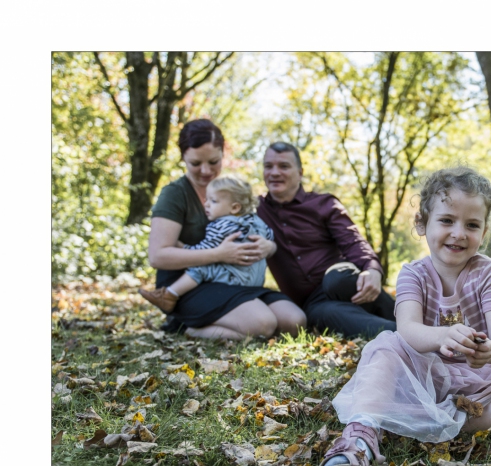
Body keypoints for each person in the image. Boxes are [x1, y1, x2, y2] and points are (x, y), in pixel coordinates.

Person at [319, 166, 491, 466]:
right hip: (428, 378)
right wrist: (443, 335)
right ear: (422, 223)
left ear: (484, 232)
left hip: (485, 381)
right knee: (387, 346)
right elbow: (409, 330)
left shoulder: (489, 272)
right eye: (447, 220)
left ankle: (433, 425)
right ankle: (361, 435)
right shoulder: (413, 274)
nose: (459, 232)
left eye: (472, 225)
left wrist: (489, 351)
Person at [146, 119, 306, 340]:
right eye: (195, 163)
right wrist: (219, 254)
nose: (206, 171)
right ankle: (187, 327)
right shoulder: (174, 194)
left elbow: (257, 234)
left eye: (213, 161)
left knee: (294, 321)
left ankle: (240, 322)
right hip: (188, 284)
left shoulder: (229, 190)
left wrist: (267, 247)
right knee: (263, 324)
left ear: (223, 154)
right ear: (183, 157)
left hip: (234, 280)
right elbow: (158, 256)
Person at [256, 142, 396, 338]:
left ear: (300, 172)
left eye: (284, 166)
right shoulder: (256, 211)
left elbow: (352, 240)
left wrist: (372, 269)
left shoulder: (323, 204)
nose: (274, 172)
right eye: (268, 166)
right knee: (333, 315)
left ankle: (418, 320)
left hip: (341, 282)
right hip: (314, 303)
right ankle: (408, 335)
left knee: (336, 279)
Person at [139, 175, 273, 313]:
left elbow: (203, 251)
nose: (206, 204)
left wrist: (183, 247)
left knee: (202, 267)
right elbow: (270, 236)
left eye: (213, 201)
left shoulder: (221, 226)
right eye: (207, 199)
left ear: (234, 208)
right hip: (255, 281)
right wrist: (268, 245)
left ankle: (169, 295)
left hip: (234, 280)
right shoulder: (257, 221)